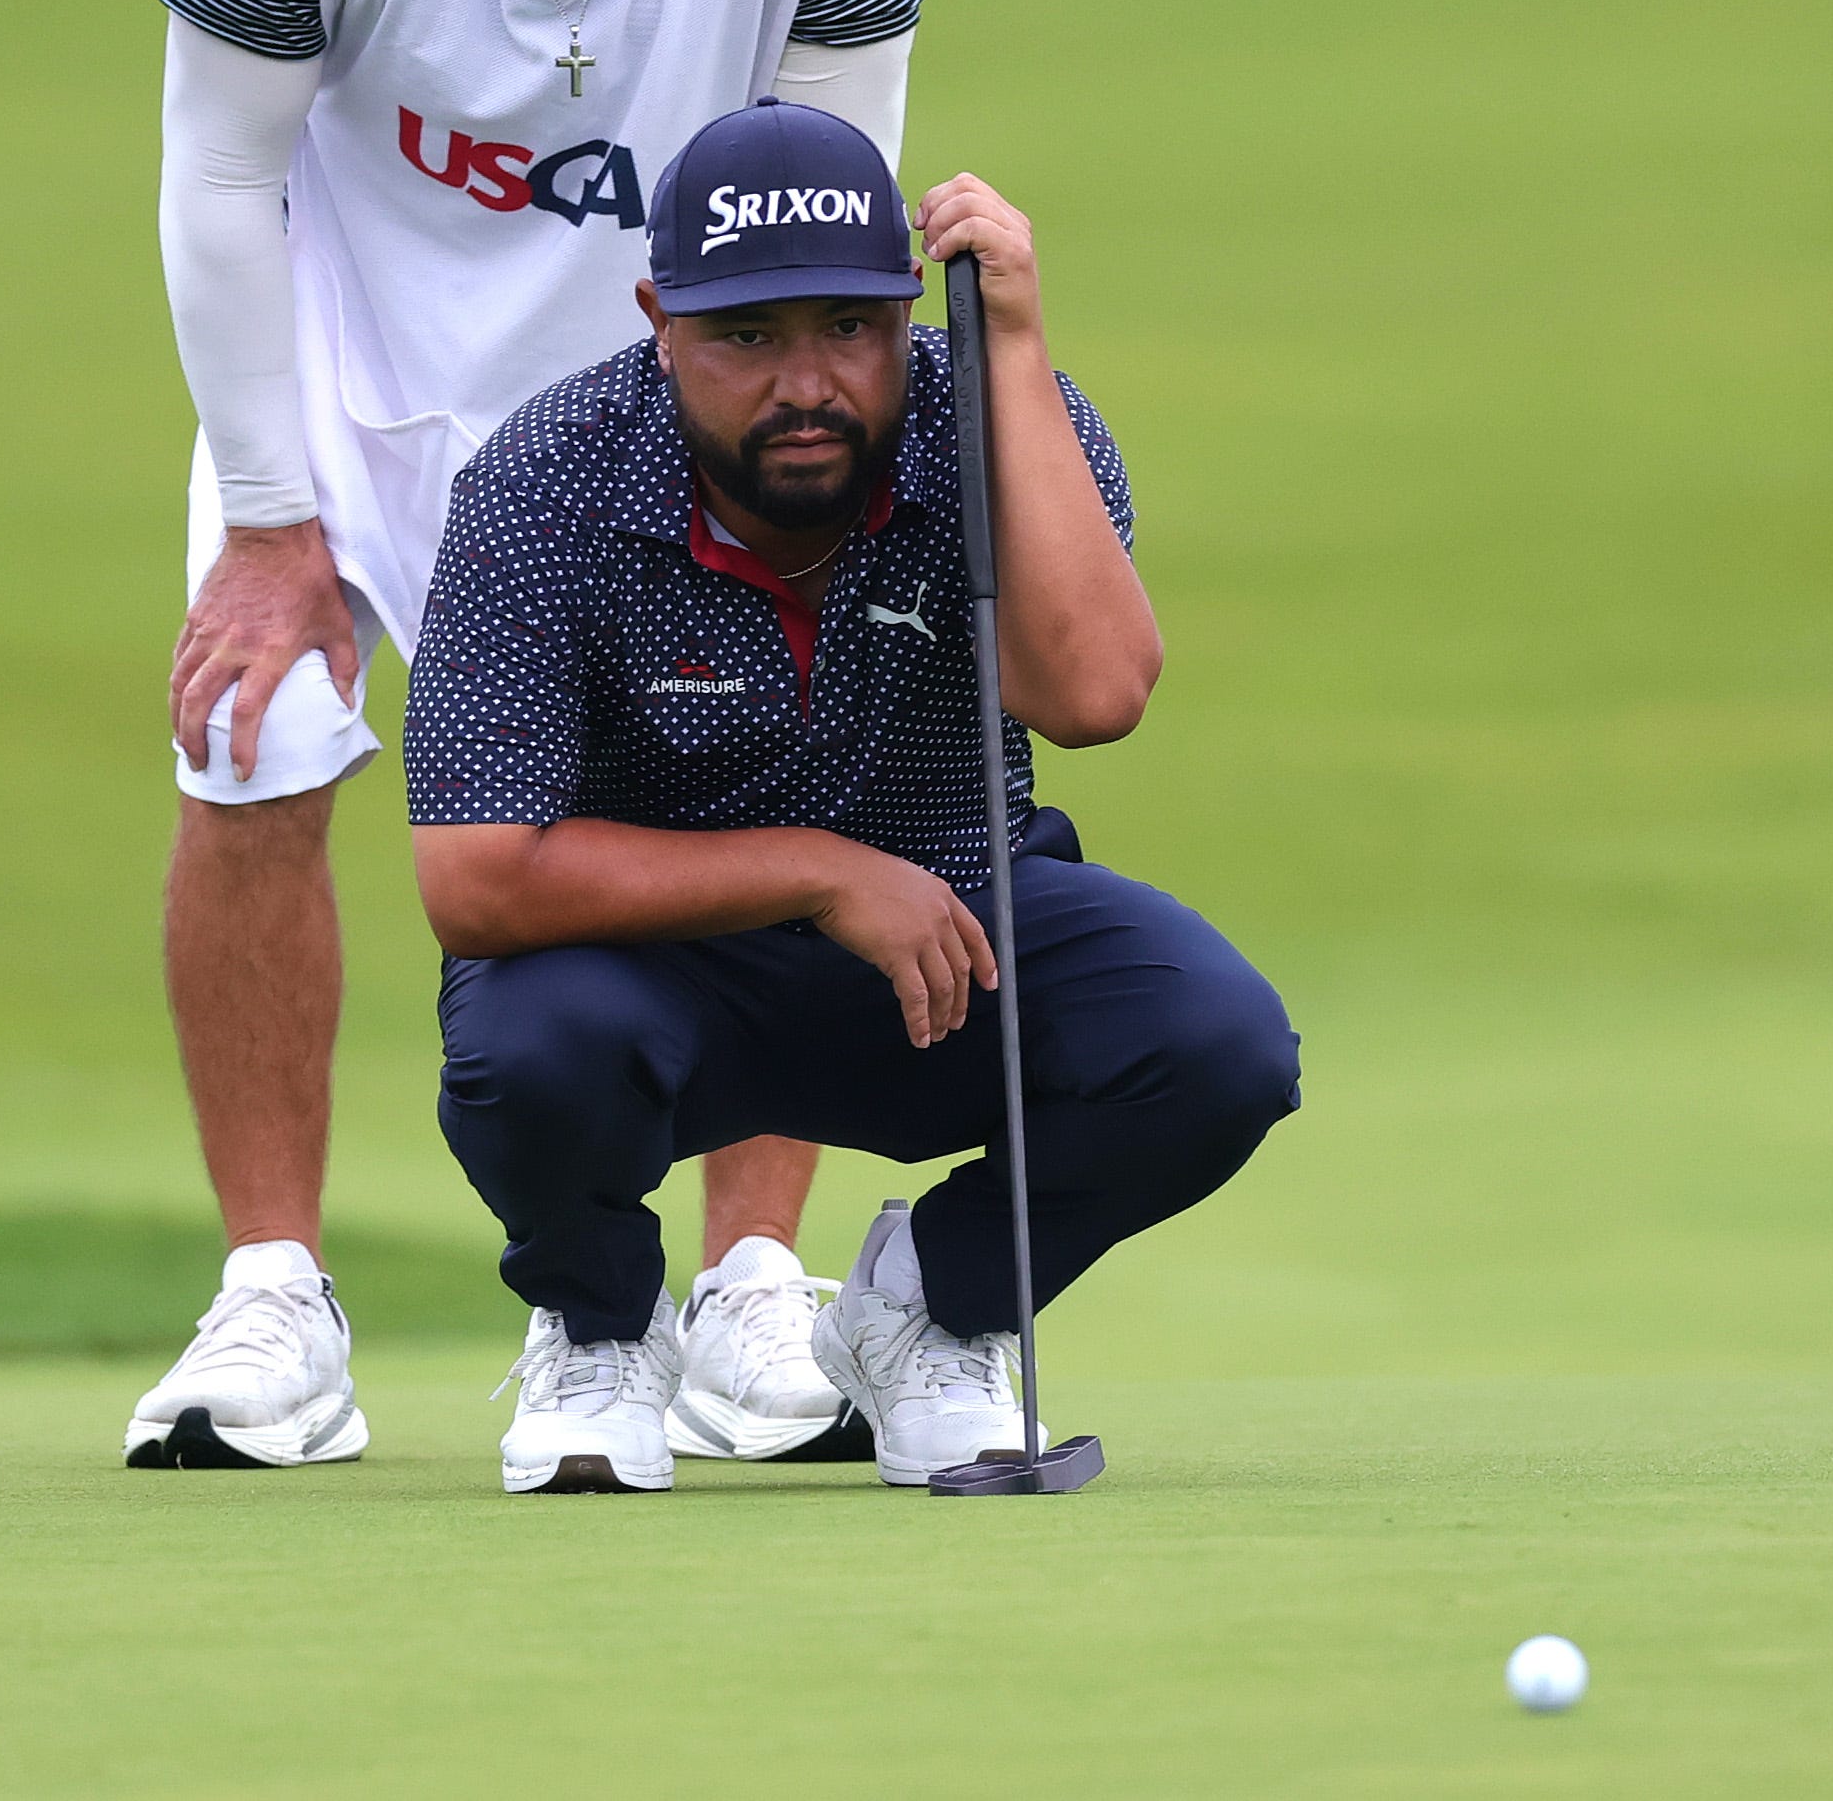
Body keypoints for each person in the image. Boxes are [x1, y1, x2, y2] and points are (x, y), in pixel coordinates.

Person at [128, 0, 913, 1469]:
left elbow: (832, 205)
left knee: (769, 747)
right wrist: (275, 519)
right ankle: (271, 1302)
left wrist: (786, 445)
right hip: (349, 367)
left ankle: (749, 1286)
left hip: (677, 394)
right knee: (247, 739)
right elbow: (216, 177)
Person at [404, 105, 1300, 1491]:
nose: (804, 383)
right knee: (528, 1044)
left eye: (848, 326)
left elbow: (1096, 697)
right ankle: (599, 1329)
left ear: (904, 314)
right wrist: (821, 871)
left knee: (1214, 1043)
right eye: (747, 338)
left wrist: (1011, 349)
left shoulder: (1004, 426)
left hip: (949, 948)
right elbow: (473, 879)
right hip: (654, 980)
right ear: (659, 318)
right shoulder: (544, 482)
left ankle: (930, 1309)